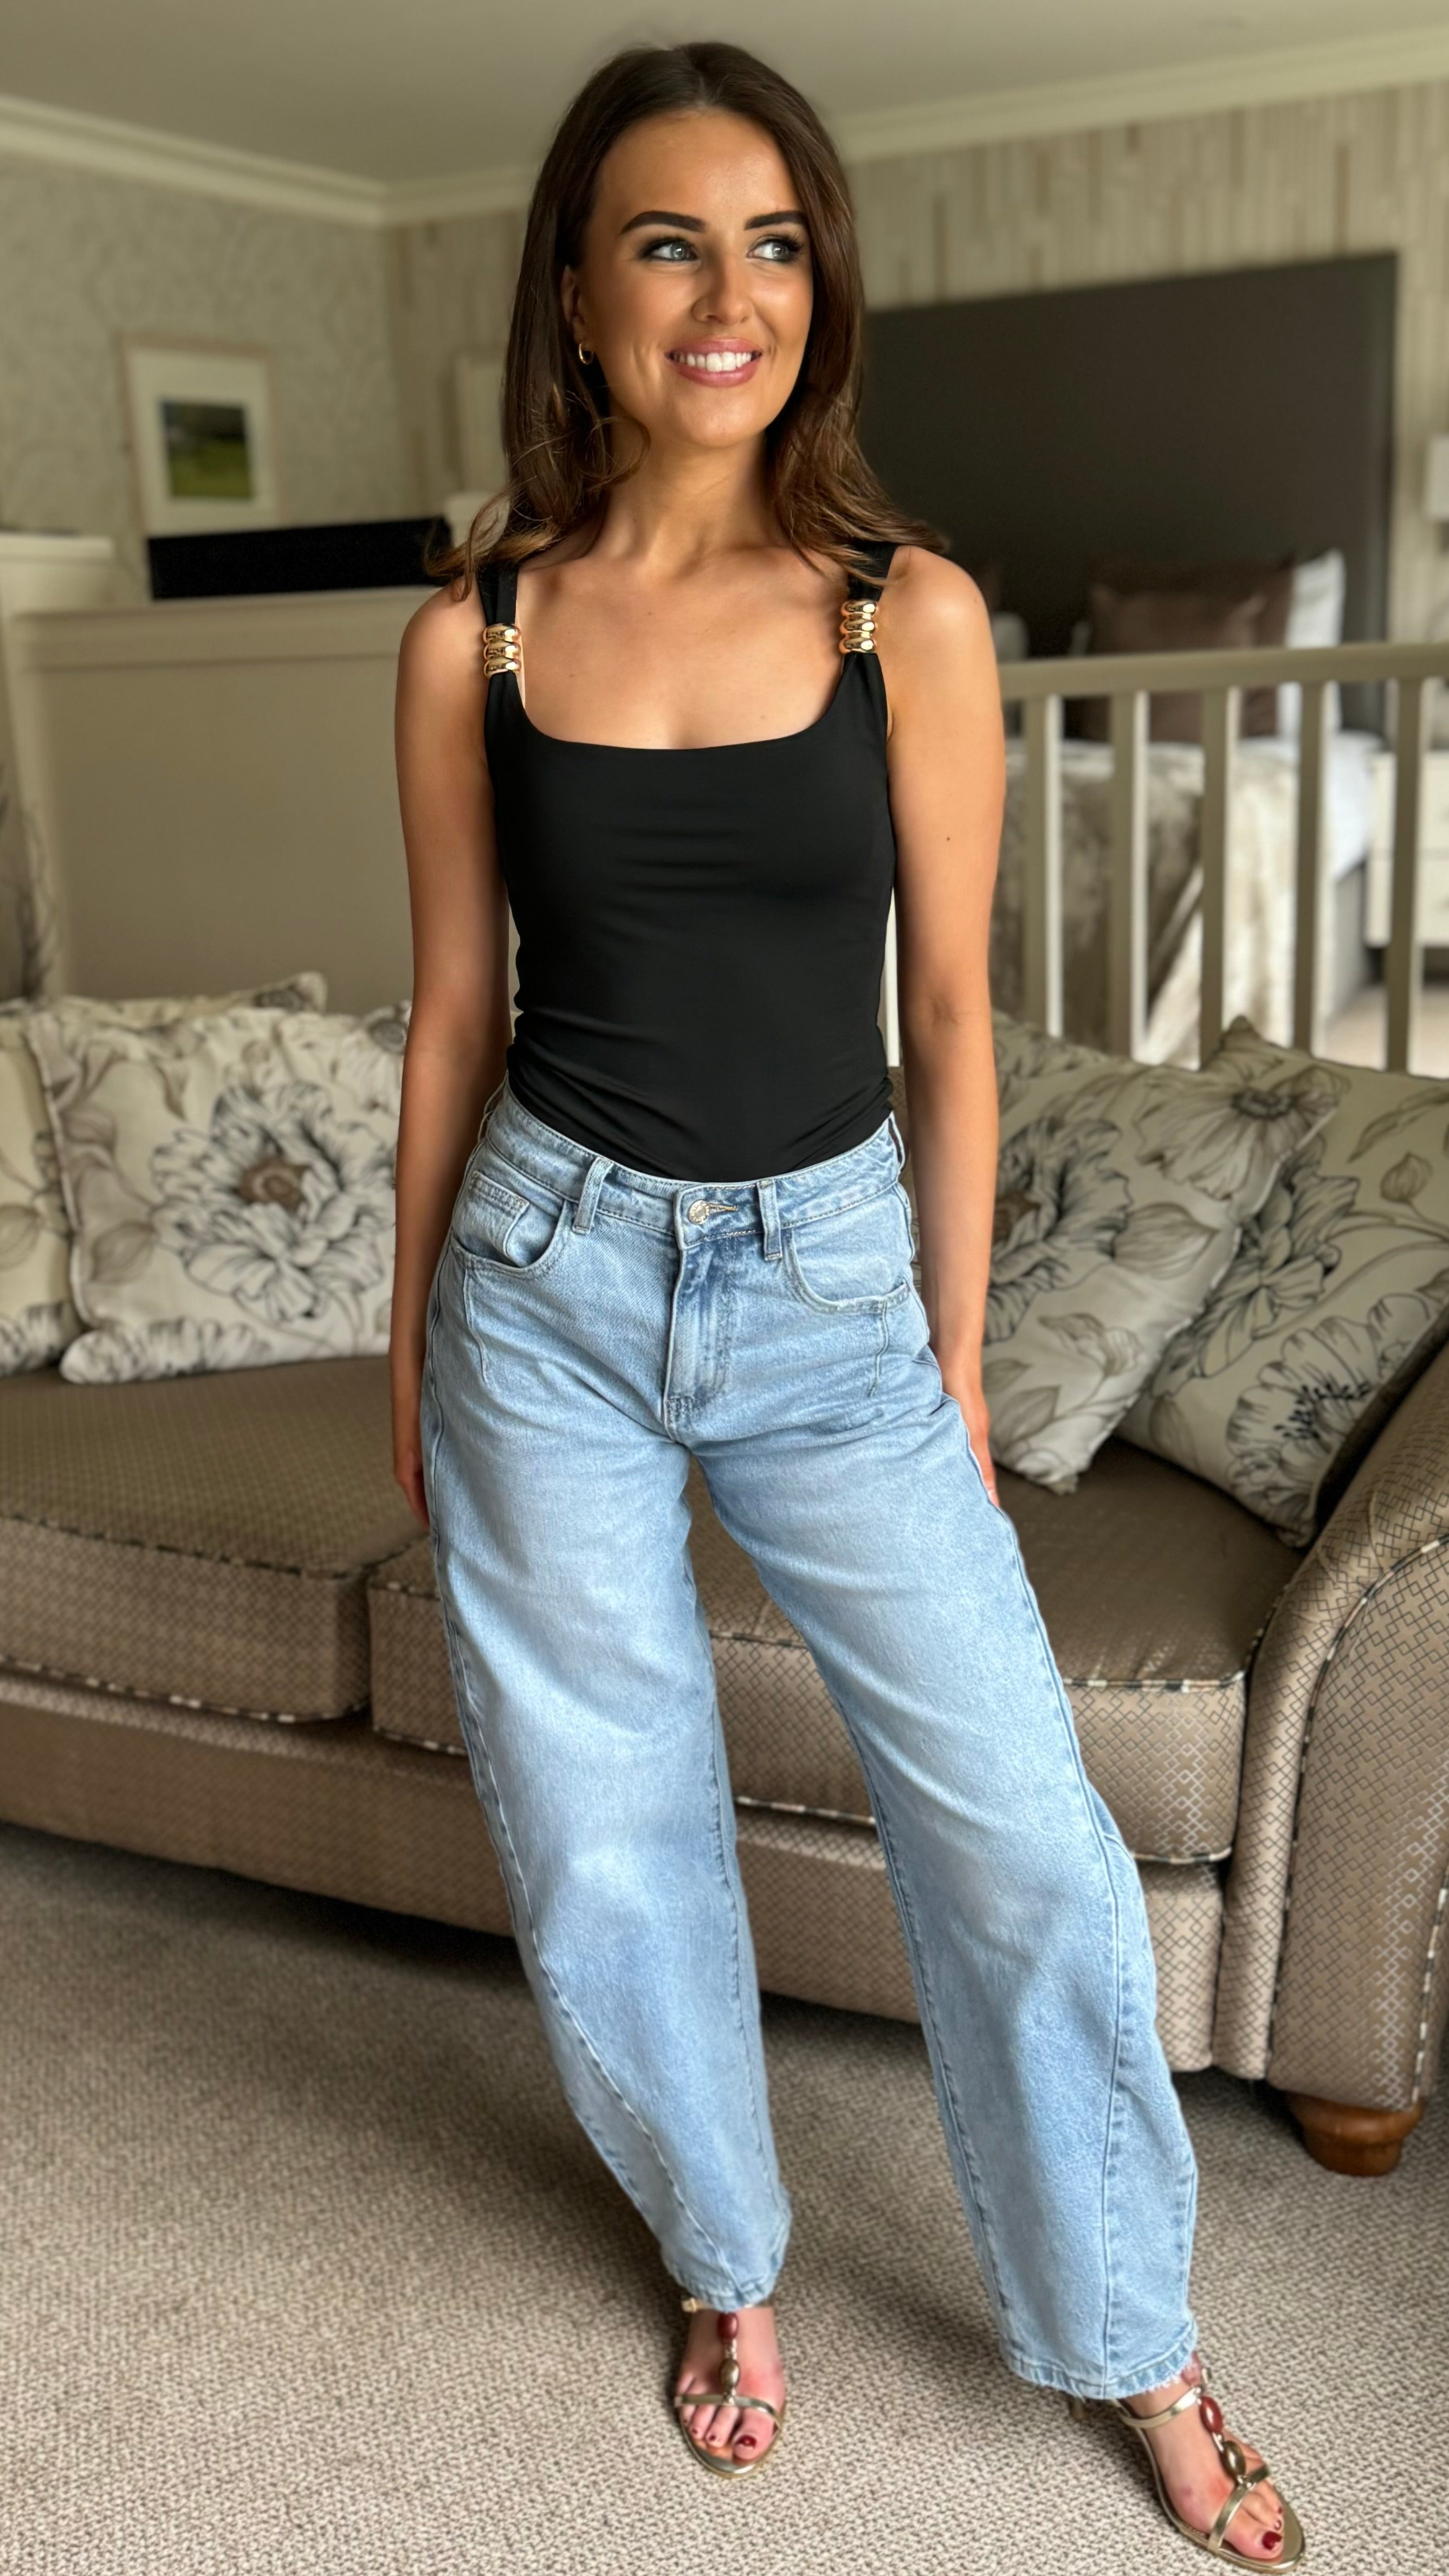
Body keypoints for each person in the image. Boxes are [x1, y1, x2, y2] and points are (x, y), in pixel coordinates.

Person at [390, 37, 1302, 2564]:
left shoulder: (911, 610)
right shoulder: (473, 632)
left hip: (828, 1293)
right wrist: (409, 1351)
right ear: (579, 294)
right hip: (541, 1286)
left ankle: (1132, 2326)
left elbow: (956, 1019)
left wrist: (953, 1355)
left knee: (1021, 1836)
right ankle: (726, 2258)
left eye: (775, 241)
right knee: (605, 1838)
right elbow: (453, 1019)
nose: (732, 293)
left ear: (820, 287)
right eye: (670, 241)